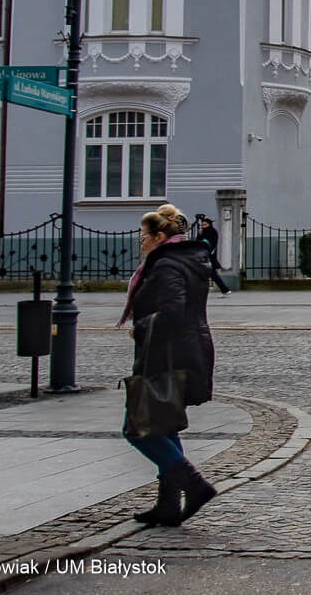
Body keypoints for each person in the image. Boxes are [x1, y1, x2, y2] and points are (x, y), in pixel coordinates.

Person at [120, 204, 220, 526]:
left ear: (160, 236)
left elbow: (173, 313)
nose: (141, 243)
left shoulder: (165, 266)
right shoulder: (184, 259)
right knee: (163, 423)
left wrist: (142, 326)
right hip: (181, 350)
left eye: (144, 237)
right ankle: (167, 504)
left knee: (138, 428)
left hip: (167, 352)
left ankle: (193, 484)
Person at [193, 214, 232, 295]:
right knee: (205, 273)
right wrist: (199, 234)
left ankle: (225, 290)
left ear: (209, 224)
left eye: (205, 224)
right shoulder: (202, 232)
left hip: (209, 256)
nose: (203, 226)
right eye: (202, 225)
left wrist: (210, 253)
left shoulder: (213, 231)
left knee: (212, 274)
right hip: (201, 255)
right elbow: (198, 242)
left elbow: (213, 244)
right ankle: (224, 290)